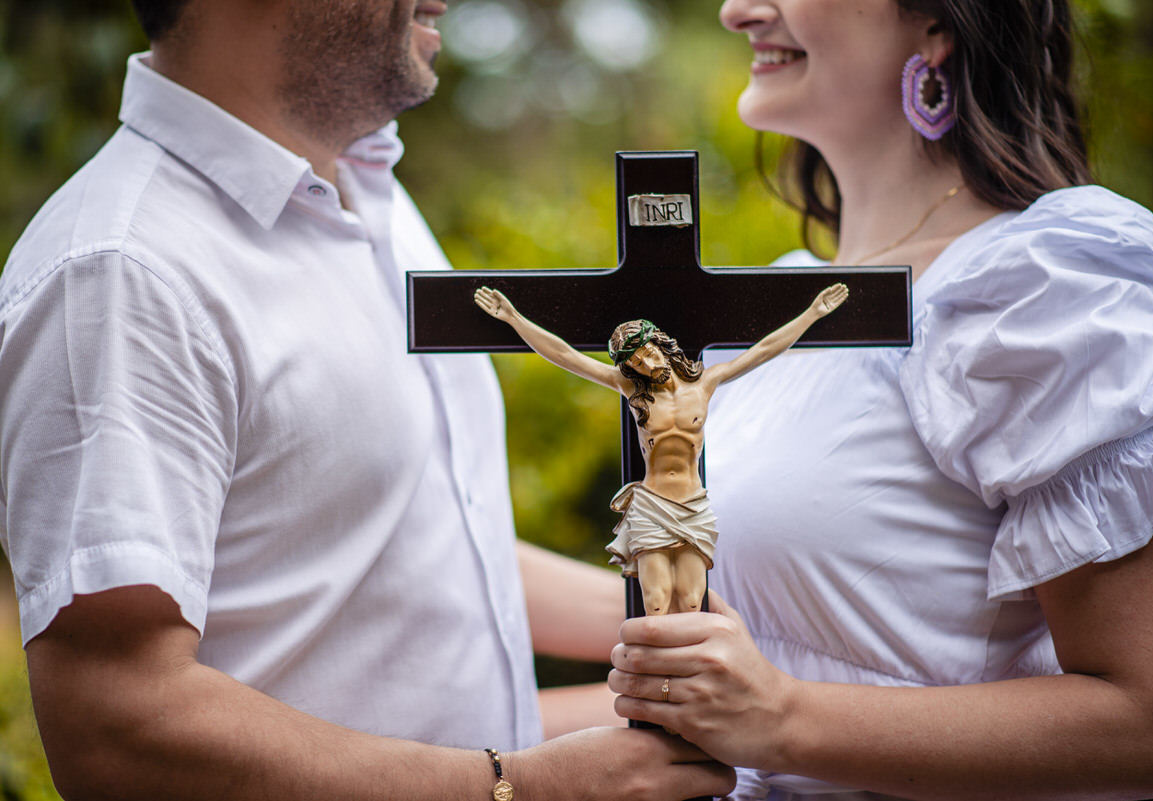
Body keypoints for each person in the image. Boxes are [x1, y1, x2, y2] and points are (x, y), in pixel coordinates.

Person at [0, 1, 738, 799]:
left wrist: (671, 617)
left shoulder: (363, 186)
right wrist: (521, 787)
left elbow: (395, 527)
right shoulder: (122, 273)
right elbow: (115, 722)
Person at [606, 0, 1153, 798]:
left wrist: (786, 719)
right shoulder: (776, 303)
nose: (738, 9)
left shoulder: (1032, 288)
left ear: (939, 20)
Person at [474, 283, 848, 617]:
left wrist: (813, 313)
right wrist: (514, 318)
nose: (645, 364)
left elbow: (764, 349)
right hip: (652, 505)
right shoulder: (632, 389)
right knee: (655, 601)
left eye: (647, 353)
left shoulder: (704, 383)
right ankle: (663, 686)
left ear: (661, 344)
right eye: (635, 362)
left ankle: (687, 687)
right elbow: (566, 356)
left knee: (689, 602)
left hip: (693, 504)